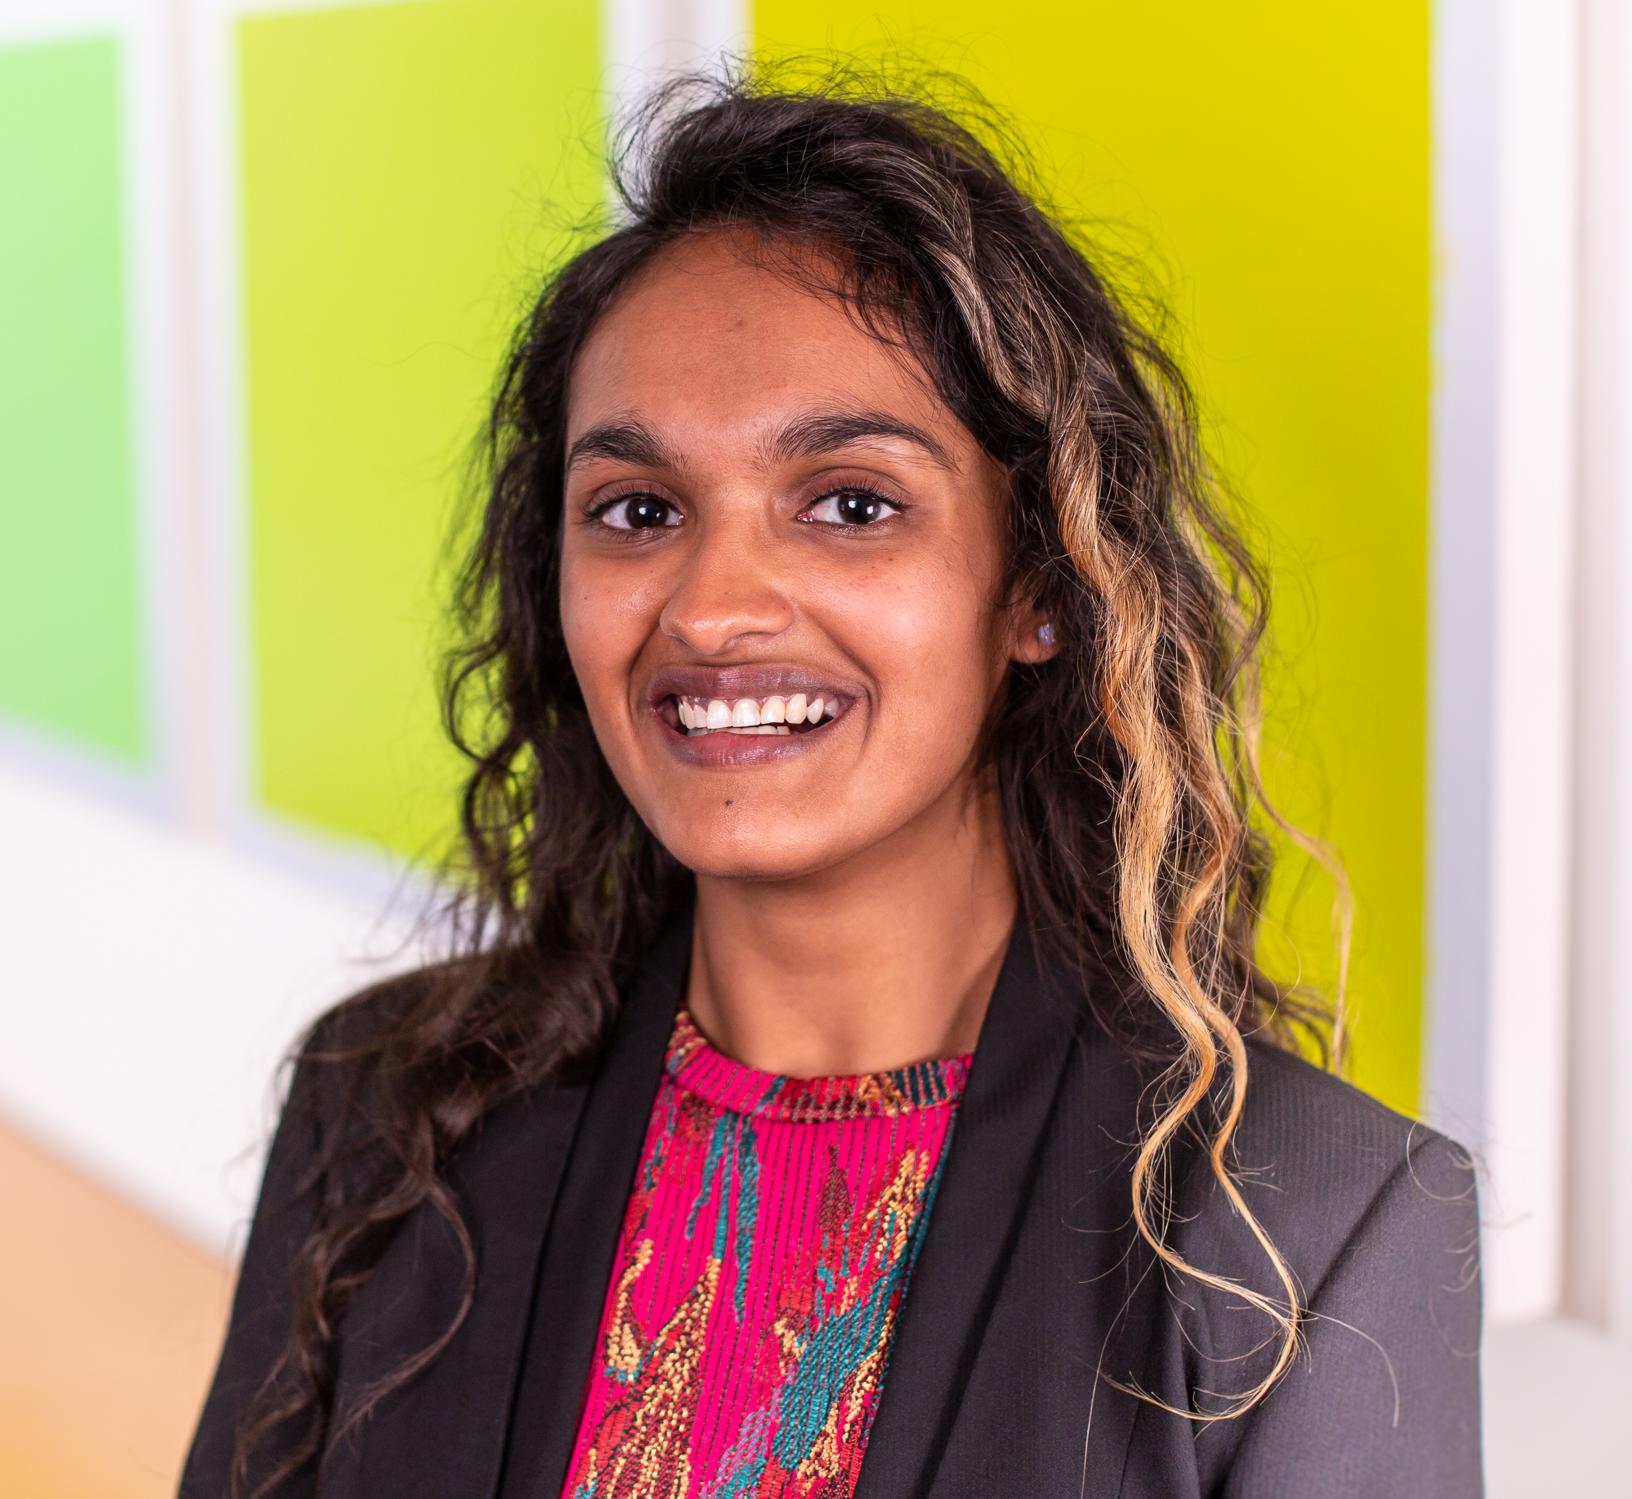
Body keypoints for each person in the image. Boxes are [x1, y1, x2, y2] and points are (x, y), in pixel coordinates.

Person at [178, 64, 1483, 1499]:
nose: (714, 607)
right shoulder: (385, 1116)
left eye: (851, 504)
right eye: (639, 510)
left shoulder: (1307, 1236)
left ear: (1040, 583)